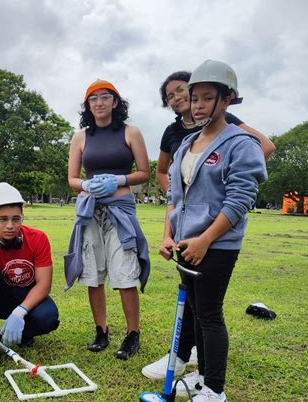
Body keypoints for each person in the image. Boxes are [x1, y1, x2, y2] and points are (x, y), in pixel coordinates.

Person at [142, 70, 275, 381]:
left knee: (209, 315)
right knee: (192, 310)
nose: (197, 105)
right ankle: (196, 374)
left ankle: (214, 392)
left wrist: (205, 239)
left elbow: (240, 200)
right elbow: (175, 196)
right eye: (194, 98)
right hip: (186, 242)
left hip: (217, 243)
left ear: (226, 99)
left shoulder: (240, 142)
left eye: (207, 98)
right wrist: (167, 236)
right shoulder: (187, 143)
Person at [65, 79, 150, 360]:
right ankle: (101, 331)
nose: (99, 103)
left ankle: (132, 334)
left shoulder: (131, 132)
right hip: (90, 209)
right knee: (93, 272)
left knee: (124, 271)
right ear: (88, 105)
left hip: (120, 209)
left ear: (115, 102)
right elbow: (72, 179)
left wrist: (119, 179)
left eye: (105, 97)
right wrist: (87, 185)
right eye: (93, 99)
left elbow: (144, 172)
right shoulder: (81, 137)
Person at [0, 182, 60, 366]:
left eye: (16, 219)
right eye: (3, 219)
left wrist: (20, 312)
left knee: (48, 318)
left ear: (23, 217)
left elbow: (44, 284)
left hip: (25, 296)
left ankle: (21, 334)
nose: (10, 226)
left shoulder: (38, 239)